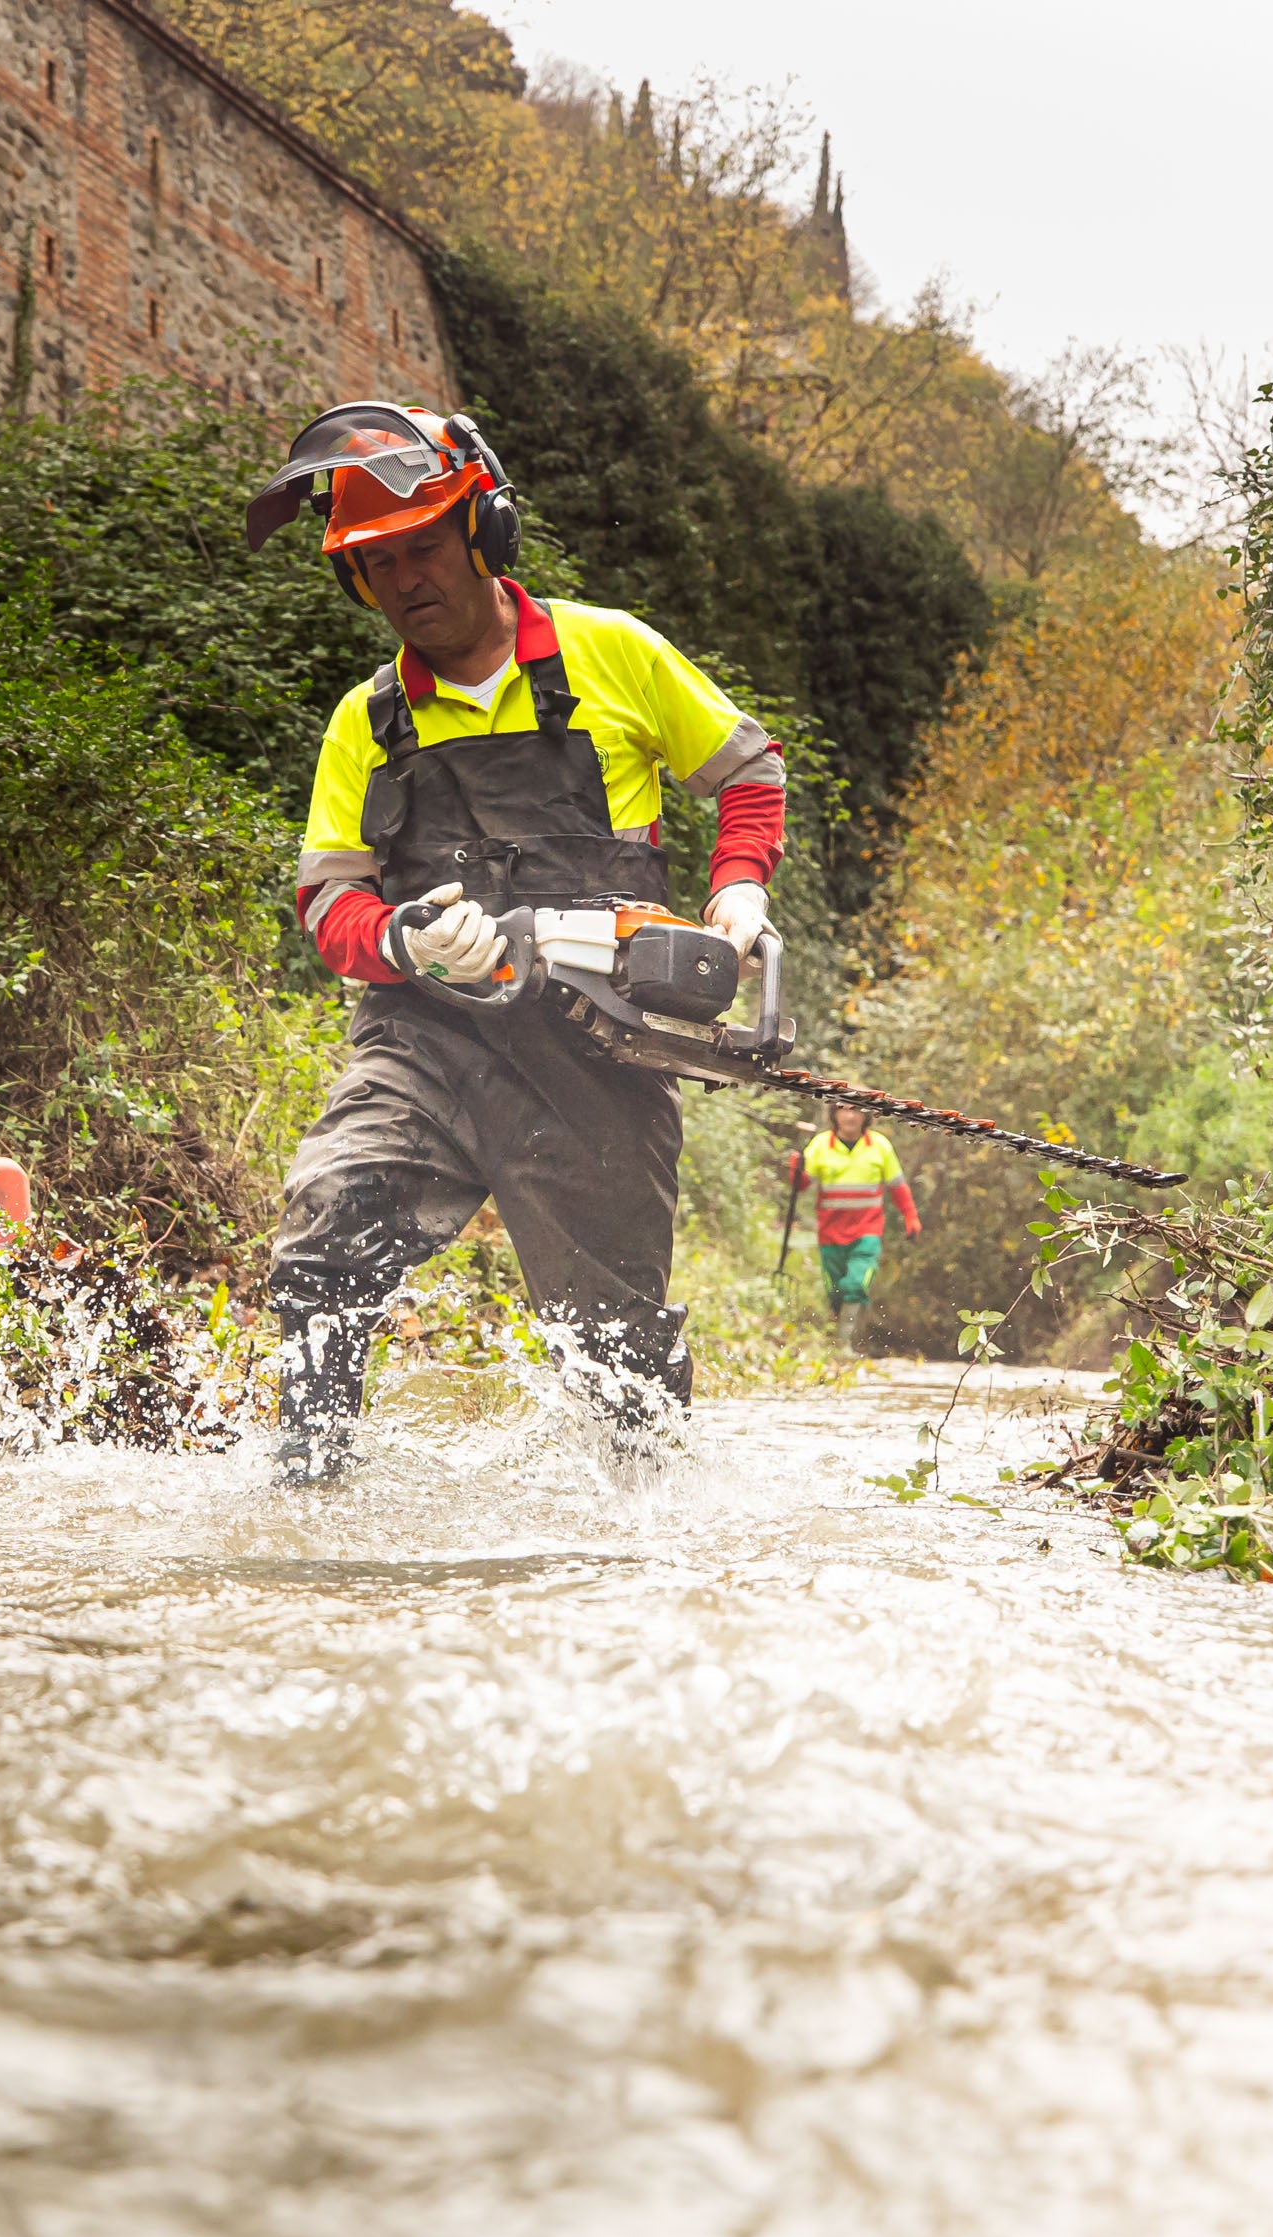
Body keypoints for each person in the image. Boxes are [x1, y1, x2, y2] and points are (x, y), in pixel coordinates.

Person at [240, 403, 788, 1482]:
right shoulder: (365, 721)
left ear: (483, 530)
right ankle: (307, 1492)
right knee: (326, 1231)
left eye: (424, 548)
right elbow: (326, 907)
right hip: (425, 1043)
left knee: (615, 1359)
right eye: (375, 563)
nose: (403, 581)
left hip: (599, 1050)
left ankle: (637, 1551)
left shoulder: (611, 653)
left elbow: (747, 769)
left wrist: (736, 894)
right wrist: (401, 936)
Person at [789, 1101, 920, 1353]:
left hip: (867, 1232)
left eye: (856, 1109)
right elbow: (802, 1185)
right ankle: (840, 1335)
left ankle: (844, 1344)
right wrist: (797, 1170)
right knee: (836, 1292)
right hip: (830, 1235)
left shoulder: (879, 1146)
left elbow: (897, 1186)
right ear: (835, 1114)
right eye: (844, 1109)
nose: (850, 1115)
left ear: (866, 1115)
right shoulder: (820, 1145)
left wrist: (910, 1216)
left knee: (855, 1285)